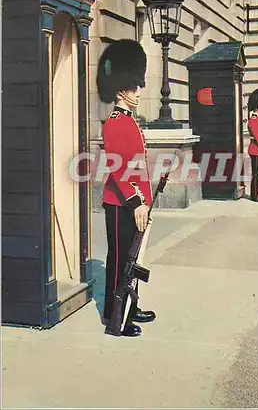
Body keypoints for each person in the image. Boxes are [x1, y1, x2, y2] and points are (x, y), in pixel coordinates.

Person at [97, 38, 156, 337]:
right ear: (121, 89)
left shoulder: (130, 121)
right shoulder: (115, 123)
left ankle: (130, 307)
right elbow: (118, 169)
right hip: (121, 204)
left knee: (133, 260)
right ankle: (115, 317)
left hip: (134, 203)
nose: (137, 91)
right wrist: (136, 202)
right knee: (121, 260)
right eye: (133, 87)